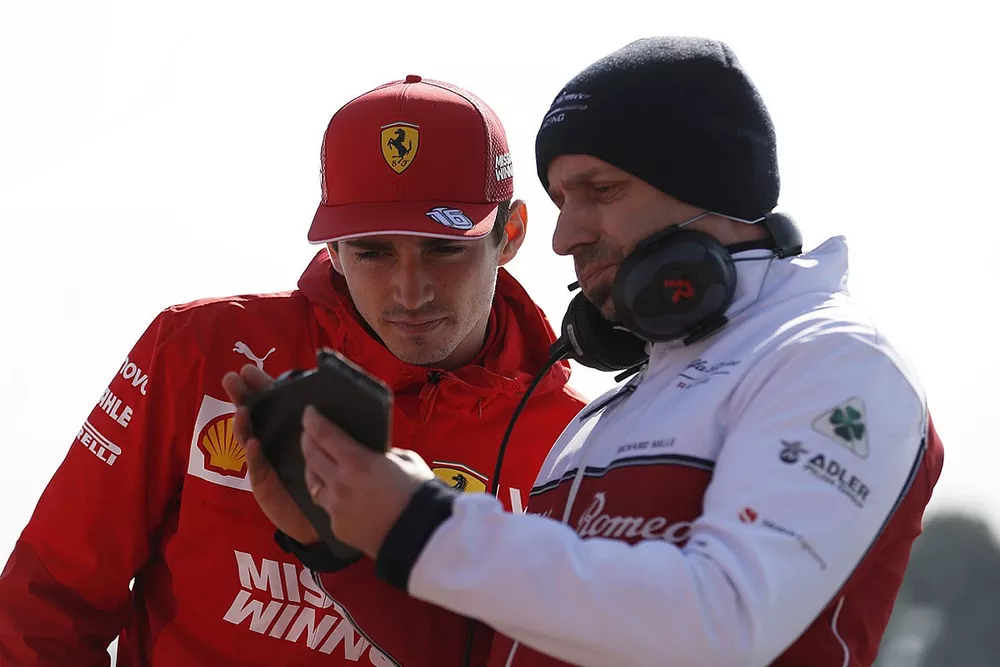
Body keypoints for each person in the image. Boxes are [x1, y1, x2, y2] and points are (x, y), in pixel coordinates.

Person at [292, 37, 946, 667]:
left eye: (599, 191)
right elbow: (496, 652)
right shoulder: (609, 411)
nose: (564, 235)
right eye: (560, 199)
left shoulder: (833, 363)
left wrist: (430, 522)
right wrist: (335, 539)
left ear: (708, 188)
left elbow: (726, 620)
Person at [0, 75, 587, 666]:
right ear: (331, 248)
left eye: (444, 246)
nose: (411, 291)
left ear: (509, 234)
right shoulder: (201, 350)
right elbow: (45, 602)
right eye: (373, 251)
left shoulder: (577, 446)